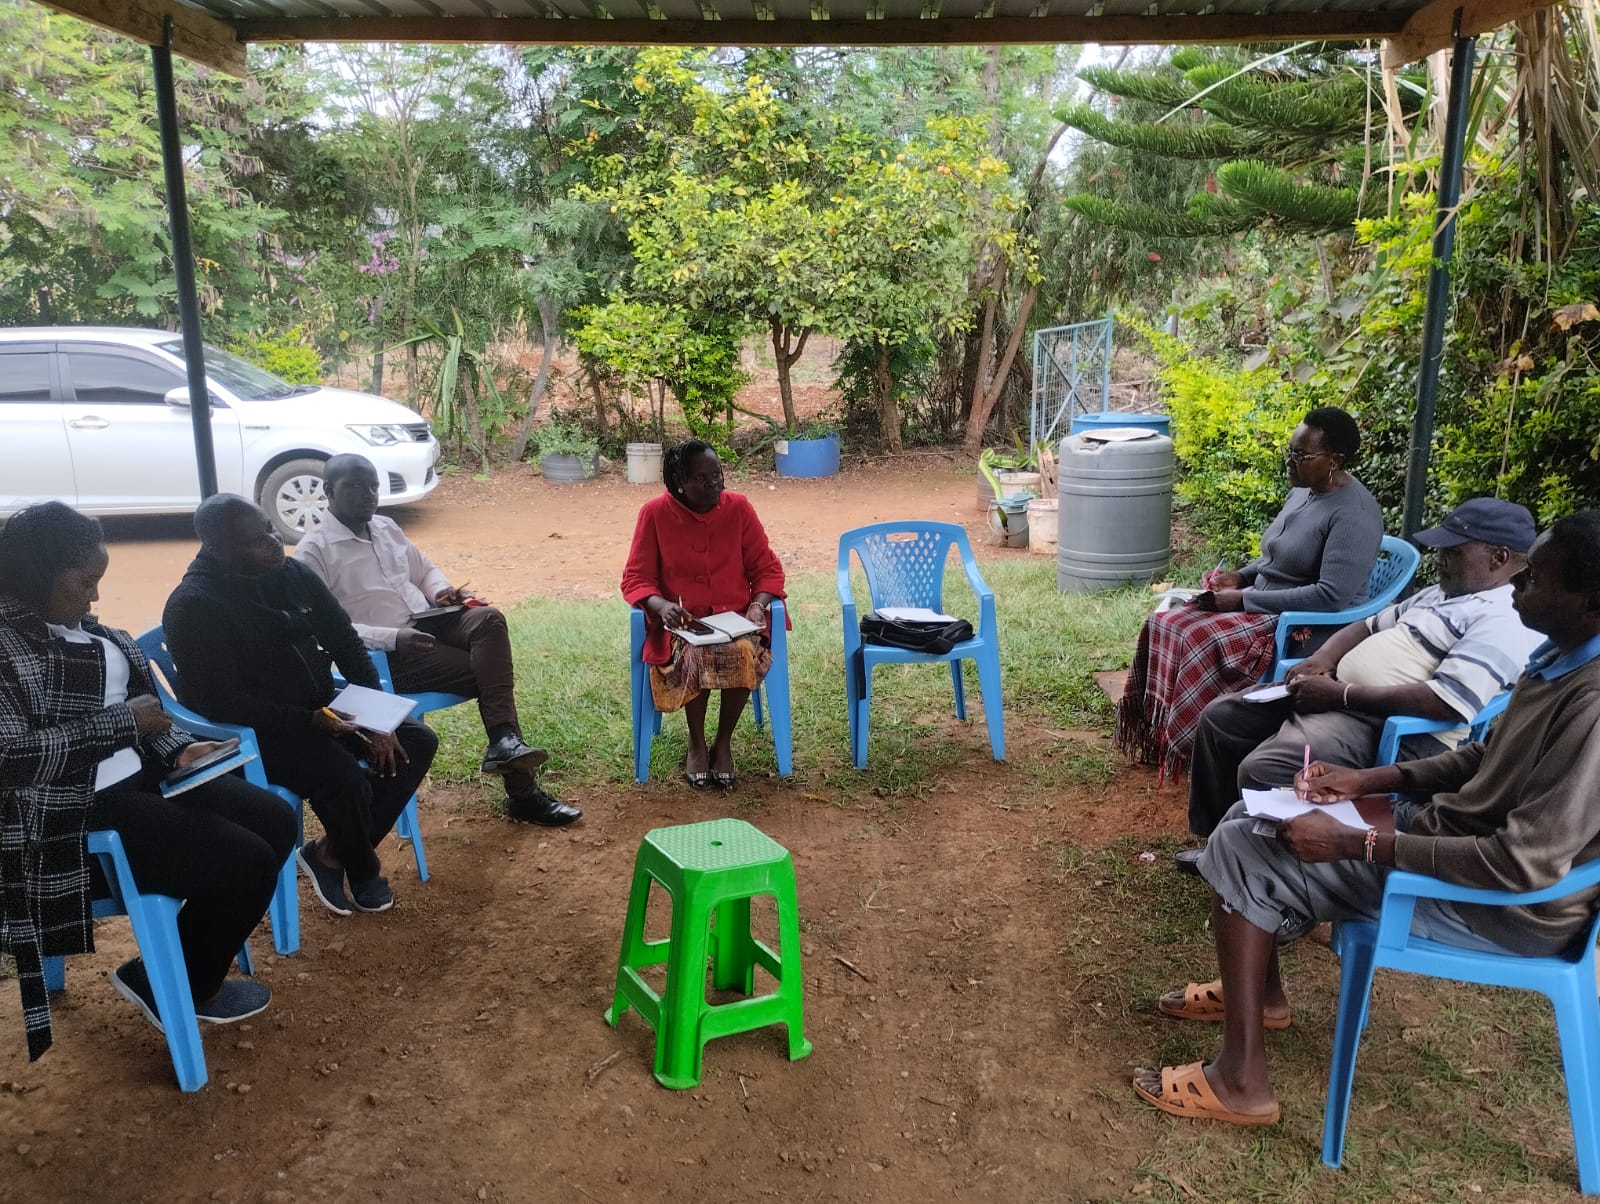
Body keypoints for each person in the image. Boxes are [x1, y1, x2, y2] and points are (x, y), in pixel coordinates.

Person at [1133, 510, 1600, 1127]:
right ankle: (1262, 996)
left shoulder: (1591, 704)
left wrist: (1362, 843)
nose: (1517, 586)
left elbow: (1520, 863)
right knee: (1254, 814)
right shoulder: (1557, 655)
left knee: (1247, 847)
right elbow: (1485, 757)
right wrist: (1368, 780)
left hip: (1500, 907)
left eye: (1536, 579)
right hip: (1452, 840)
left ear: (1589, 601)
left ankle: (1242, 1082)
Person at [0, 503, 298, 1060]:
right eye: (85, 582)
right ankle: (177, 984)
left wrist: (180, 750)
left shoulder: (77, 625)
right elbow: (13, 759)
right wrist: (124, 725)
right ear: (36, 574)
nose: (94, 598)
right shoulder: (6, 646)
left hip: (142, 780)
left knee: (276, 819)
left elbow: (143, 713)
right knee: (247, 860)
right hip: (72, 813)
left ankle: (177, 966)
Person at [1176, 497, 1542, 872]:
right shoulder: (1446, 592)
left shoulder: (1505, 617)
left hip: (1393, 728)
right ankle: (1218, 843)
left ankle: (1280, 884)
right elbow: (1367, 625)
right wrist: (1324, 659)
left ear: (1498, 557)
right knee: (1222, 719)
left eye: (1453, 551)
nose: (1440, 558)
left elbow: (1446, 703)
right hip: (1341, 697)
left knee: (1264, 767)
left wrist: (1344, 695)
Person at [163, 494, 438, 918]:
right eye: (257, 539)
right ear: (217, 549)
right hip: (256, 730)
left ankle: (330, 854)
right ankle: (364, 867)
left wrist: (378, 716)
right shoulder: (194, 606)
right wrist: (309, 721)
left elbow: (345, 641)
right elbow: (219, 701)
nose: (275, 543)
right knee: (342, 776)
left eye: (272, 530)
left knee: (415, 739)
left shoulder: (290, 572)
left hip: (320, 707)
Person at [296, 454, 579, 828]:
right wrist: (393, 637)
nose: (368, 495)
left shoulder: (385, 527)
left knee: (489, 619)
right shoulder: (314, 552)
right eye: (355, 487)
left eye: (373, 487)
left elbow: (423, 569)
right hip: (387, 654)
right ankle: (520, 786)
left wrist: (441, 591)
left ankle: (505, 744)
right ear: (329, 491)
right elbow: (328, 629)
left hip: (431, 620)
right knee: (488, 674)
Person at [1115, 406, 1384, 780]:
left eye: (1301, 456)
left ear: (1334, 461)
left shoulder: (1356, 514)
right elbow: (1279, 558)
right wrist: (1239, 577)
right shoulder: (1304, 492)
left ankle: (1195, 746)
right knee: (1165, 622)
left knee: (1197, 637)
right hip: (1261, 602)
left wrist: (1243, 599)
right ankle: (1158, 733)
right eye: (1289, 451)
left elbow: (1330, 596)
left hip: (1303, 625)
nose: (1290, 463)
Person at [621, 440, 786, 789]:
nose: (715, 484)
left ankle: (723, 741)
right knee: (696, 654)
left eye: (718, 475)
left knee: (742, 652)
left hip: (738, 620)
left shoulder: (738, 508)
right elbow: (636, 578)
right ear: (679, 480)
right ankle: (696, 741)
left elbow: (768, 569)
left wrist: (758, 605)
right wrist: (661, 606)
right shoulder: (654, 514)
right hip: (681, 625)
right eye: (702, 478)